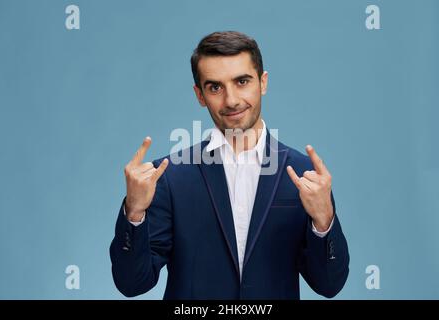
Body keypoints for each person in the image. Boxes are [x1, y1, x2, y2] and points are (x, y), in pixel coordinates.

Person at [110, 31, 349, 299]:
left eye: (242, 81)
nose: (231, 100)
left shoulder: (305, 175)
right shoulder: (168, 177)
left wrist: (324, 219)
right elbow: (132, 284)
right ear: (199, 95)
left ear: (263, 82)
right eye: (215, 87)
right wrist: (134, 212)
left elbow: (329, 285)